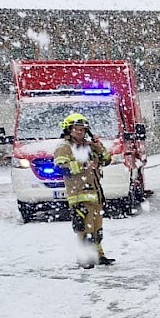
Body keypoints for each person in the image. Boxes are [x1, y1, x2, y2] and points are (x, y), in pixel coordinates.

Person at [53, 112, 114, 268]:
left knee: (97, 229)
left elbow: (107, 160)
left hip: (96, 194)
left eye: (83, 129)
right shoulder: (64, 147)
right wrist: (83, 165)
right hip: (79, 195)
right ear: (69, 130)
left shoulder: (89, 146)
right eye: (76, 129)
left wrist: (99, 146)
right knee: (84, 229)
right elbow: (60, 168)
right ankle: (84, 258)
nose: (80, 132)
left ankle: (99, 256)